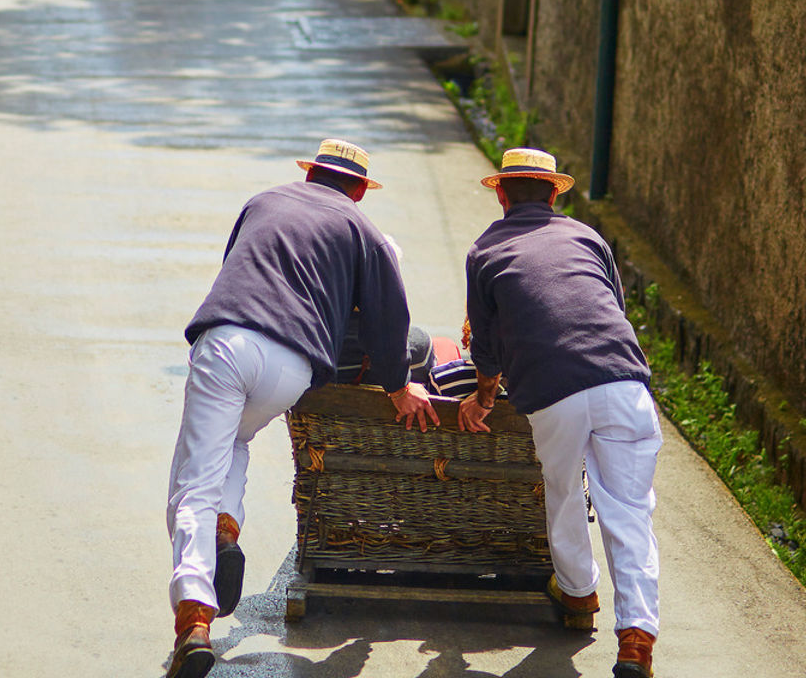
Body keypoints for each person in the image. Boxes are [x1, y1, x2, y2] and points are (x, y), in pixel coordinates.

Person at [165, 139, 439, 678]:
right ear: (360, 190)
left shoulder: (262, 201)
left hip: (229, 342)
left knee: (193, 480)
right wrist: (398, 385)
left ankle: (194, 619)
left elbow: (234, 271)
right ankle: (225, 529)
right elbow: (392, 322)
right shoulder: (364, 232)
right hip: (293, 367)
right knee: (236, 442)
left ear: (311, 174)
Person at [456, 148, 661, 678]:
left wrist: (483, 397)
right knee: (629, 511)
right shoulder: (589, 237)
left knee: (566, 489)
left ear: (500, 194)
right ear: (554, 193)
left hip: (553, 392)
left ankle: (578, 594)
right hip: (624, 382)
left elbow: (484, 346)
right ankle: (637, 639)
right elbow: (609, 304)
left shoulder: (484, 250)